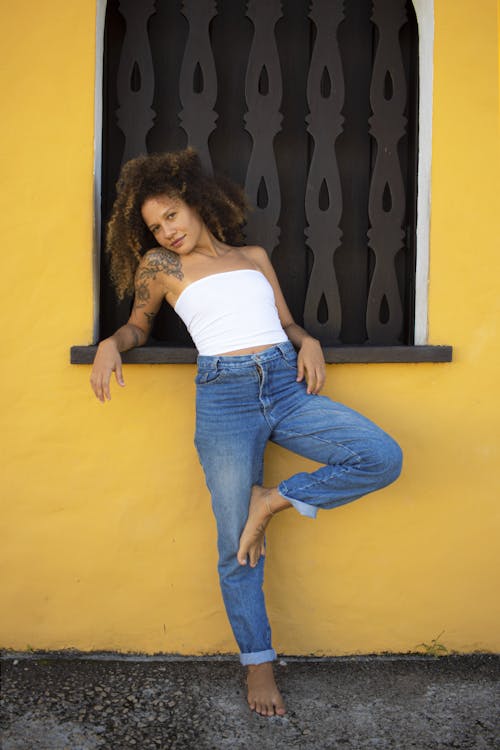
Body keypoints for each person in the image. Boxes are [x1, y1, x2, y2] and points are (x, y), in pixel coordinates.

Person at [90, 148, 402, 717]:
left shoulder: (254, 257)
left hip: (286, 384)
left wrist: (307, 340)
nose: (167, 230)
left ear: (197, 202)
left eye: (172, 216)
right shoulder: (162, 268)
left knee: (381, 456)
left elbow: (284, 322)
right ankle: (259, 665)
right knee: (237, 547)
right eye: (156, 226)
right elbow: (139, 326)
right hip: (225, 400)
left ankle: (275, 500)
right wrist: (112, 344)